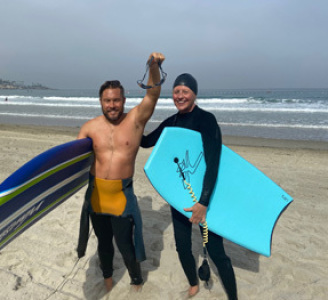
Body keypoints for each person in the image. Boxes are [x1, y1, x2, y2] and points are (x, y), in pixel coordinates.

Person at [141, 73, 238, 299]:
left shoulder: (207, 120)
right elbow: (146, 142)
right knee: (182, 247)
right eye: (176, 91)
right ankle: (193, 284)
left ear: (194, 94)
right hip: (180, 196)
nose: (180, 95)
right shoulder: (172, 123)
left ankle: (233, 297)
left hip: (205, 197)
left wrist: (203, 202)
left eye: (185, 91)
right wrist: (137, 120)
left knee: (217, 252)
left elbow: (213, 164)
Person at [76, 52, 165, 292]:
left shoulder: (136, 120)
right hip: (96, 196)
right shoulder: (89, 128)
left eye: (116, 100)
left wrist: (153, 66)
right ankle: (107, 276)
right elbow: (74, 165)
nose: (112, 105)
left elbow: (153, 93)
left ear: (124, 100)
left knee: (126, 245)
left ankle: (136, 278)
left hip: (121, 197)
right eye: (107, 101)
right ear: (100, 102)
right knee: (104, 243)